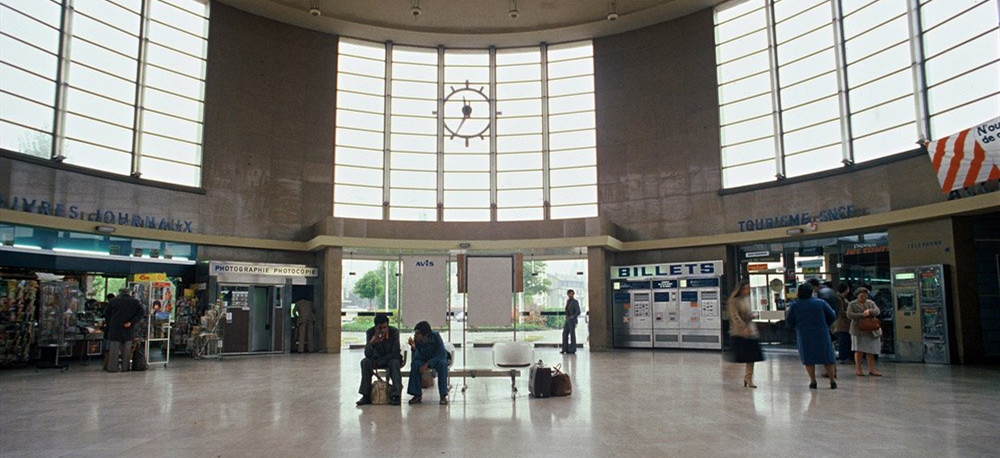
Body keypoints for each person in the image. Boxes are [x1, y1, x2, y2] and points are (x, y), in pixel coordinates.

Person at [786, 283, 838, 389]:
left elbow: (789, 321)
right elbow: (832, 315)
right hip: (822, 333)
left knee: (809, 358)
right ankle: (832, 381)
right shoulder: (821, 302)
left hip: (804, 335)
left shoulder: (795, 305)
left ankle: (813, 381)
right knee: (827, 357)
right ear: (811, 292)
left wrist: (794, 327)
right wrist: (825, 325)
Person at [357, 313, 402, 406]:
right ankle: (365, 395)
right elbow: (367, 354)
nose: (383, 330)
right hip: (376, 359)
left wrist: (382, 360)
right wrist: (371, 343)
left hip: (390, 358)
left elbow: (395, 352)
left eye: (385, 327)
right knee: (365, 362)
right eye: (380, 328)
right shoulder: (370, 333)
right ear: (376, 327)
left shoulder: (394, 332)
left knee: (394, 363)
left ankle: (396, 395)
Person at [727, 280, 764, 388]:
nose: (747, 291)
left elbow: (746, 314)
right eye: (745, 288)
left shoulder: (746, 300)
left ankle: (748, 378)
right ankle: (745, 378)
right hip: (740, 332)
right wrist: (743, 327)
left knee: (751, 357)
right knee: (742, 356)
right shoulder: (733, 301)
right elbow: (735, 316)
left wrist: (751, 316)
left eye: (748, 288)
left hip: (750, 331)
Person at [407, 321, 449, 405]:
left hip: (437, 358)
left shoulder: (436, 336)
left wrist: (428, 364)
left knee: (443, 365)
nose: (415, 335)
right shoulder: (417, 340)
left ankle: (443, 396)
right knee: (415, 364)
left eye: (418, 333)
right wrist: (414, 349)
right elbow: (417, 355)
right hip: (424, 358)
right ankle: (416, 395)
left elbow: (442, 354)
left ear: (425, 335)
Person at [103, 288, 144, 373]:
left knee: (114, 350)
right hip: (128, 329)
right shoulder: (135, 302)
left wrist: (110, 323)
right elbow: (141, 313)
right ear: (129, 293)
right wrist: (132, 322)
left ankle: (112, 368)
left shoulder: (113, 301)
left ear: (120, 293)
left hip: (115, 329)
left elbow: (106, 314)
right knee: (127, 350)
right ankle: (125, 368)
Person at [848, 287, 882, 377]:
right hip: (858, 330)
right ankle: (858, 369)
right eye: (862, 295)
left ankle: (872, 369)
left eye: (865, 295)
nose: (864, 297)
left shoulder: (871, 303)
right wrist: (862, 315)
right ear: (857, 296)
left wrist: (870, 311)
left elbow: (877, 311)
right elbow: (849, 315)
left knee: (870, 350)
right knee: (859, 350)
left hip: (870, 330)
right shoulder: (852, 304)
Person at [834, 283, 853, 363]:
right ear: (845, 289)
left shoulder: (842, 298)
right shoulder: (839, 299)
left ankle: (846, 357)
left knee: (846, 340)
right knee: (844, 341)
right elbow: (841, 312)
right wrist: (851, 314)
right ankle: (843, 357)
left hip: (845, 324)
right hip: (842, 324)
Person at [561, 289, 581, 354]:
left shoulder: (575, 302)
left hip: (572, 320)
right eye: (569, 293)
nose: (570, 295)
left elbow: (578, 311)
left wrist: (573, 317)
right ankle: (565, 349)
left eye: (572, 294)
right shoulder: (567, 301)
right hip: (567, 319)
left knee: (572, 334)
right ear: (568, 294)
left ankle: (572, 349)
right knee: (564, 334)